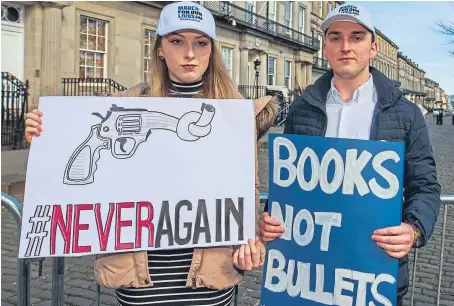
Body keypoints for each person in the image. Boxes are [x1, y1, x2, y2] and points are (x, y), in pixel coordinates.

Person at [24, 2, 278, 305]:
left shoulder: (236, 116)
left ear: (212, 51)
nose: (190, 54)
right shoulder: (120, 105)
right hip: (140, 282)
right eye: (176, 41)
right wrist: (46, 137)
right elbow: (74, 185)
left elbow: (245, 194)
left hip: (210, 280)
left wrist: (254, 243)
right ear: (159, 49)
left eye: (200, 43)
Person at [258, 3, 440, 305]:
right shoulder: (301, 109)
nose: (345, 47)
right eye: (335, 37)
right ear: (325, 47)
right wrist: (271, 217)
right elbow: (290, 186)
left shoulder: (407, 114)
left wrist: (414, 228)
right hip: (307, 274)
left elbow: (425, 185)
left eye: (356, 37)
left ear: (373, 47)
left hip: (370, 272)